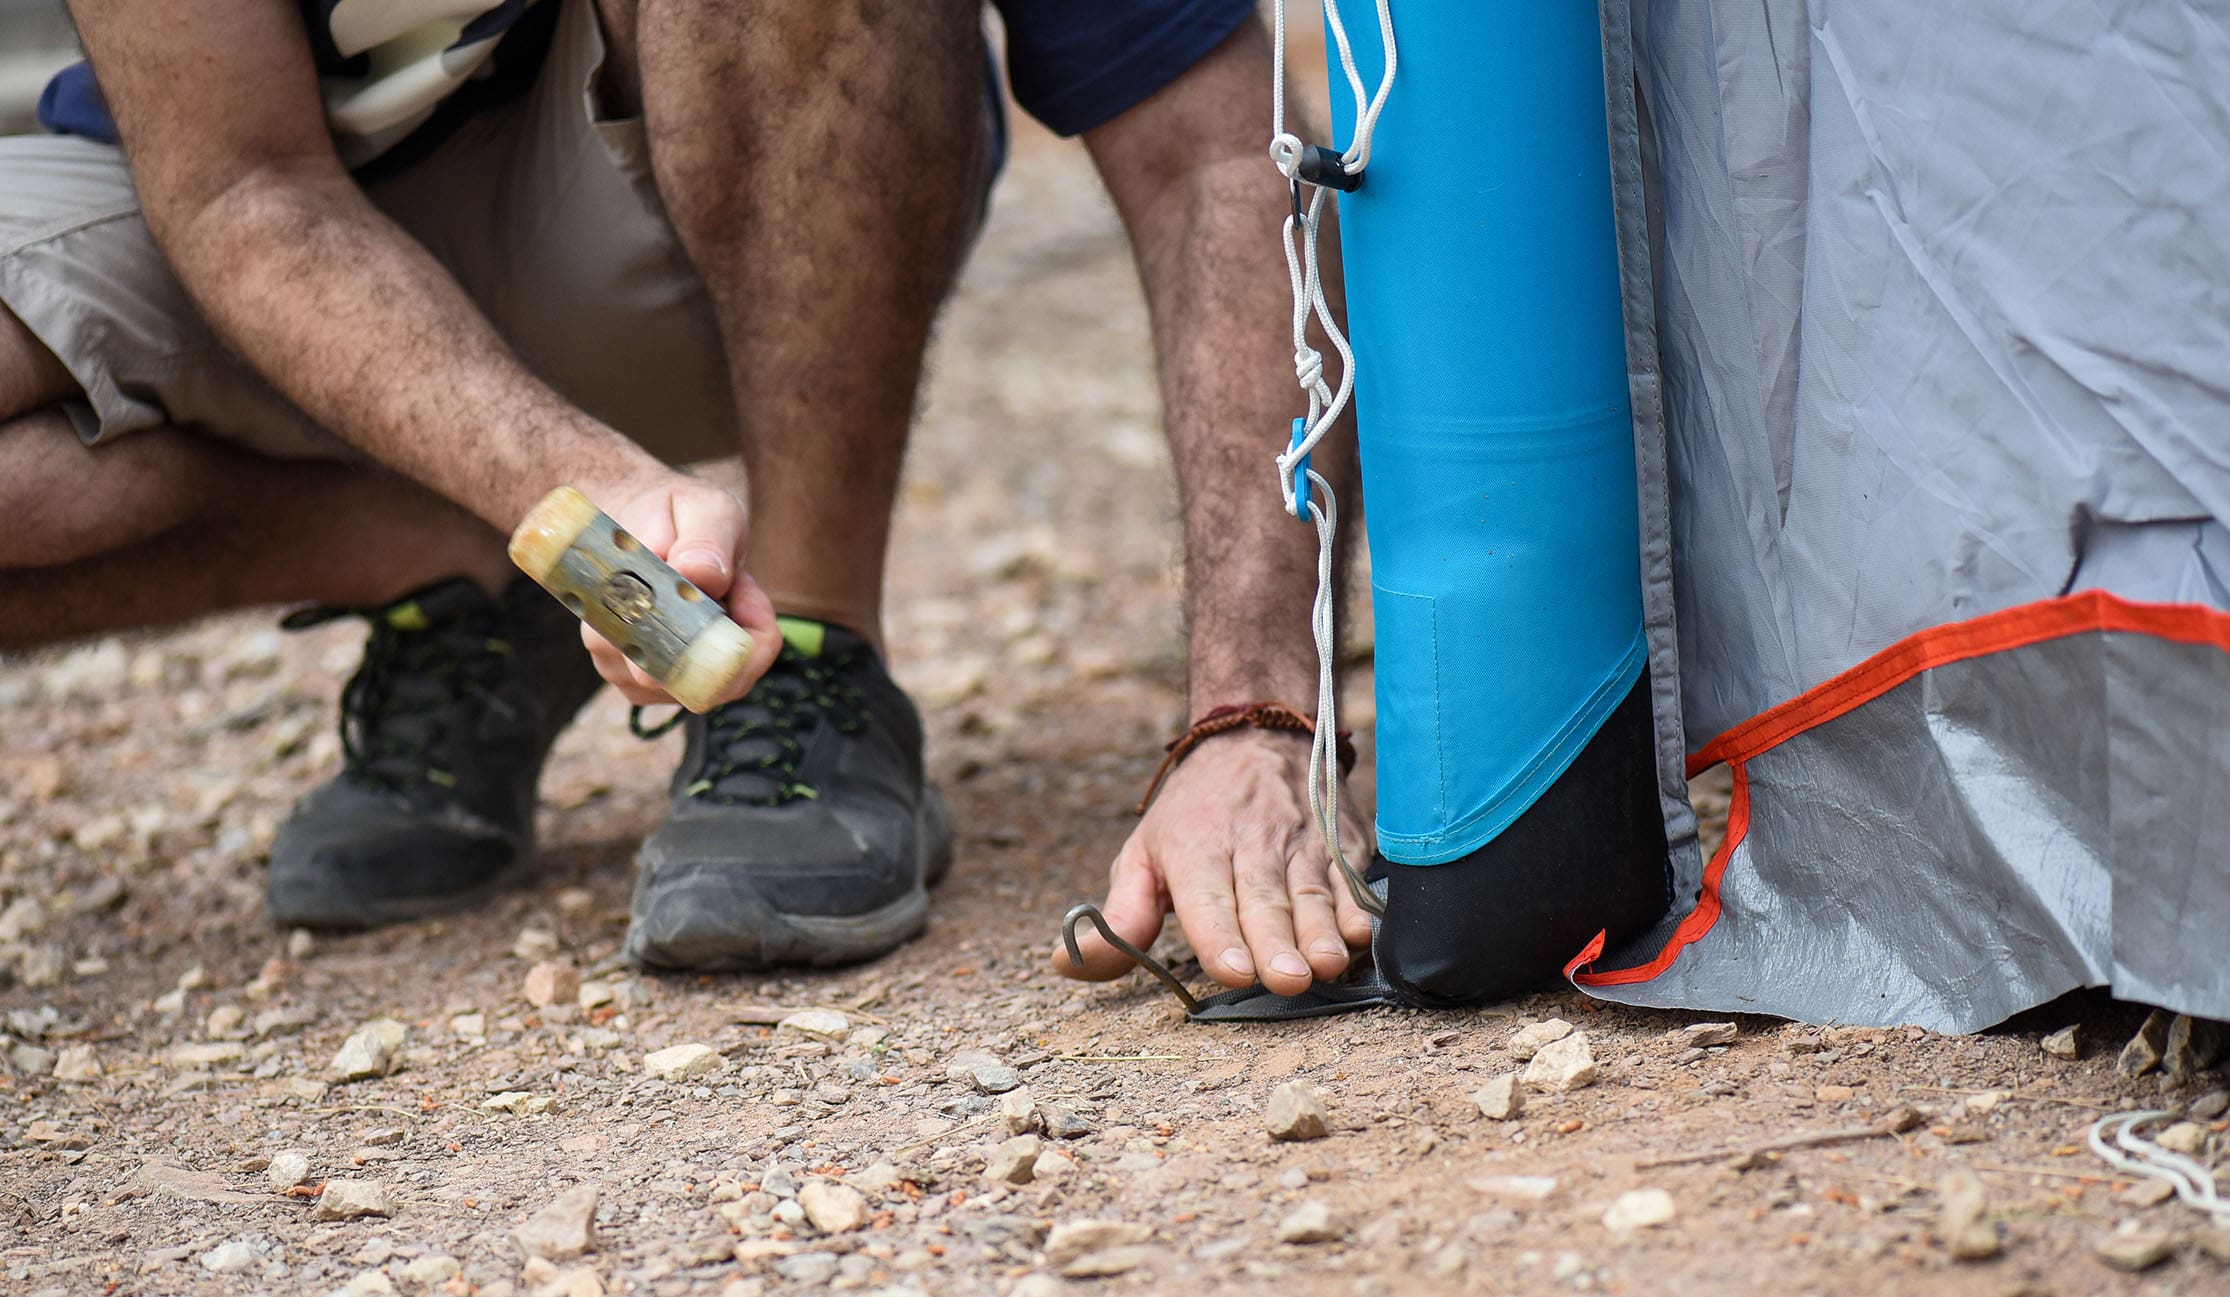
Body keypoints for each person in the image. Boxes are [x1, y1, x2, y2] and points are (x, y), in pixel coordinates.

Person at [0, 0, 1373, 1000]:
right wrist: (563, 491)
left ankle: (810, 644)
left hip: (681, 186)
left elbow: (1218, 152)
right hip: (257, 218)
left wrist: (1252, 715)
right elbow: (243, 189)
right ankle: (451, 554)